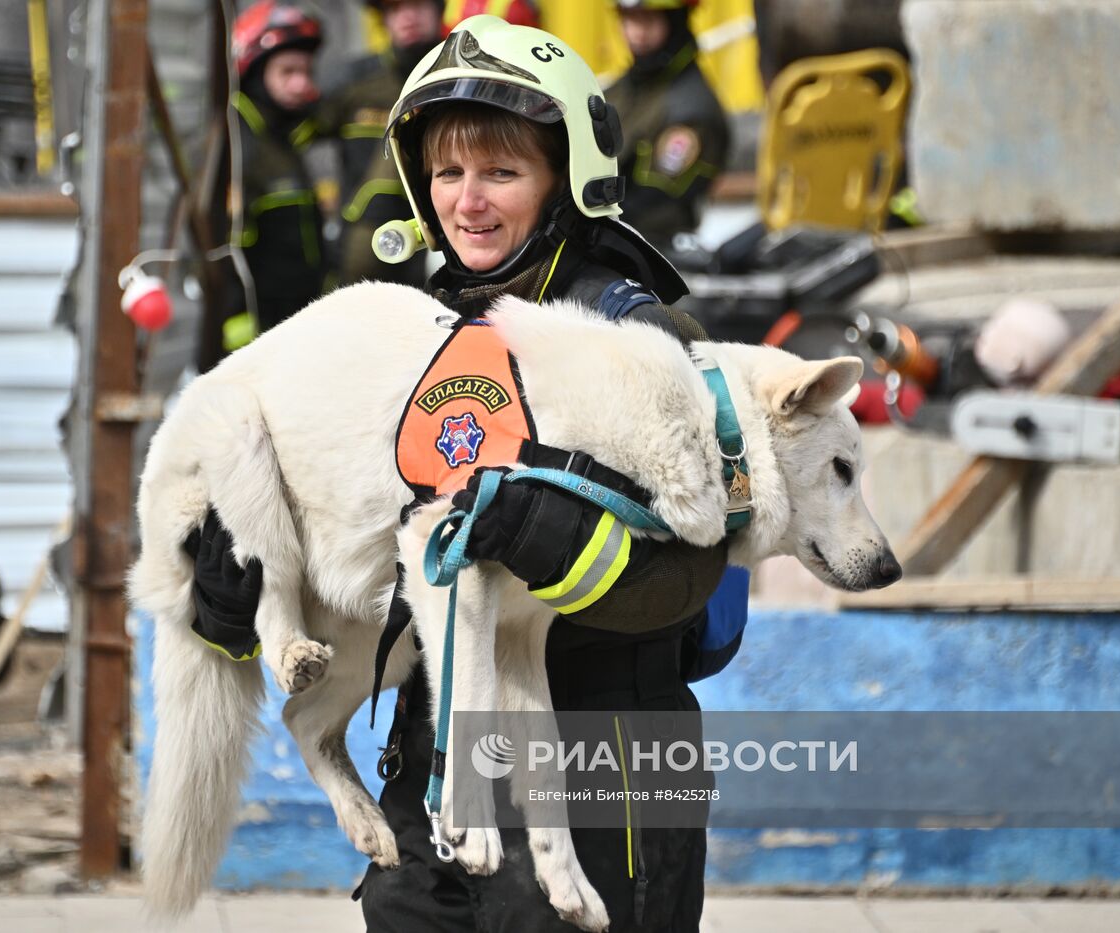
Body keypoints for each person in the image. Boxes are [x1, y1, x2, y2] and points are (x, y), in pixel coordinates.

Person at [188, 16, 751, 931]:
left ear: (568, 178)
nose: (468, 201)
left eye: (501, 172)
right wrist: (238, 574)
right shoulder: (415, 334)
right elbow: (352, 522)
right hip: (439, 761)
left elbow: (698, 580)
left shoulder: (644, 342)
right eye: (447, 173)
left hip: (606, 766)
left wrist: (543, 533)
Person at [200, 0, 328, 372]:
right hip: (251, 348)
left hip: (289, 337)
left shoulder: (281, 137)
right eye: (287, 71)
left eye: (306, 71)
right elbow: (225, 252)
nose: (302, 83)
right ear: (254, 71)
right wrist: (237, 346)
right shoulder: (237, 144)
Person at [319, 0, 444, 289]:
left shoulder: (462, 77)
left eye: (417, 6)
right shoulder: (355, 82)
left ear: (438, 10)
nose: (407, 16)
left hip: (443, 237)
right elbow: (291, 134)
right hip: (365, 244)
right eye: (394, 8)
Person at [606, 0, 730, 244]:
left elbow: (653, 200)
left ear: (675, 20)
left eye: (649, 20)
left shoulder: (692, 108)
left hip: (649, 250)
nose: (637, 33)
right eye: (630, 19)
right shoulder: (619, 90)